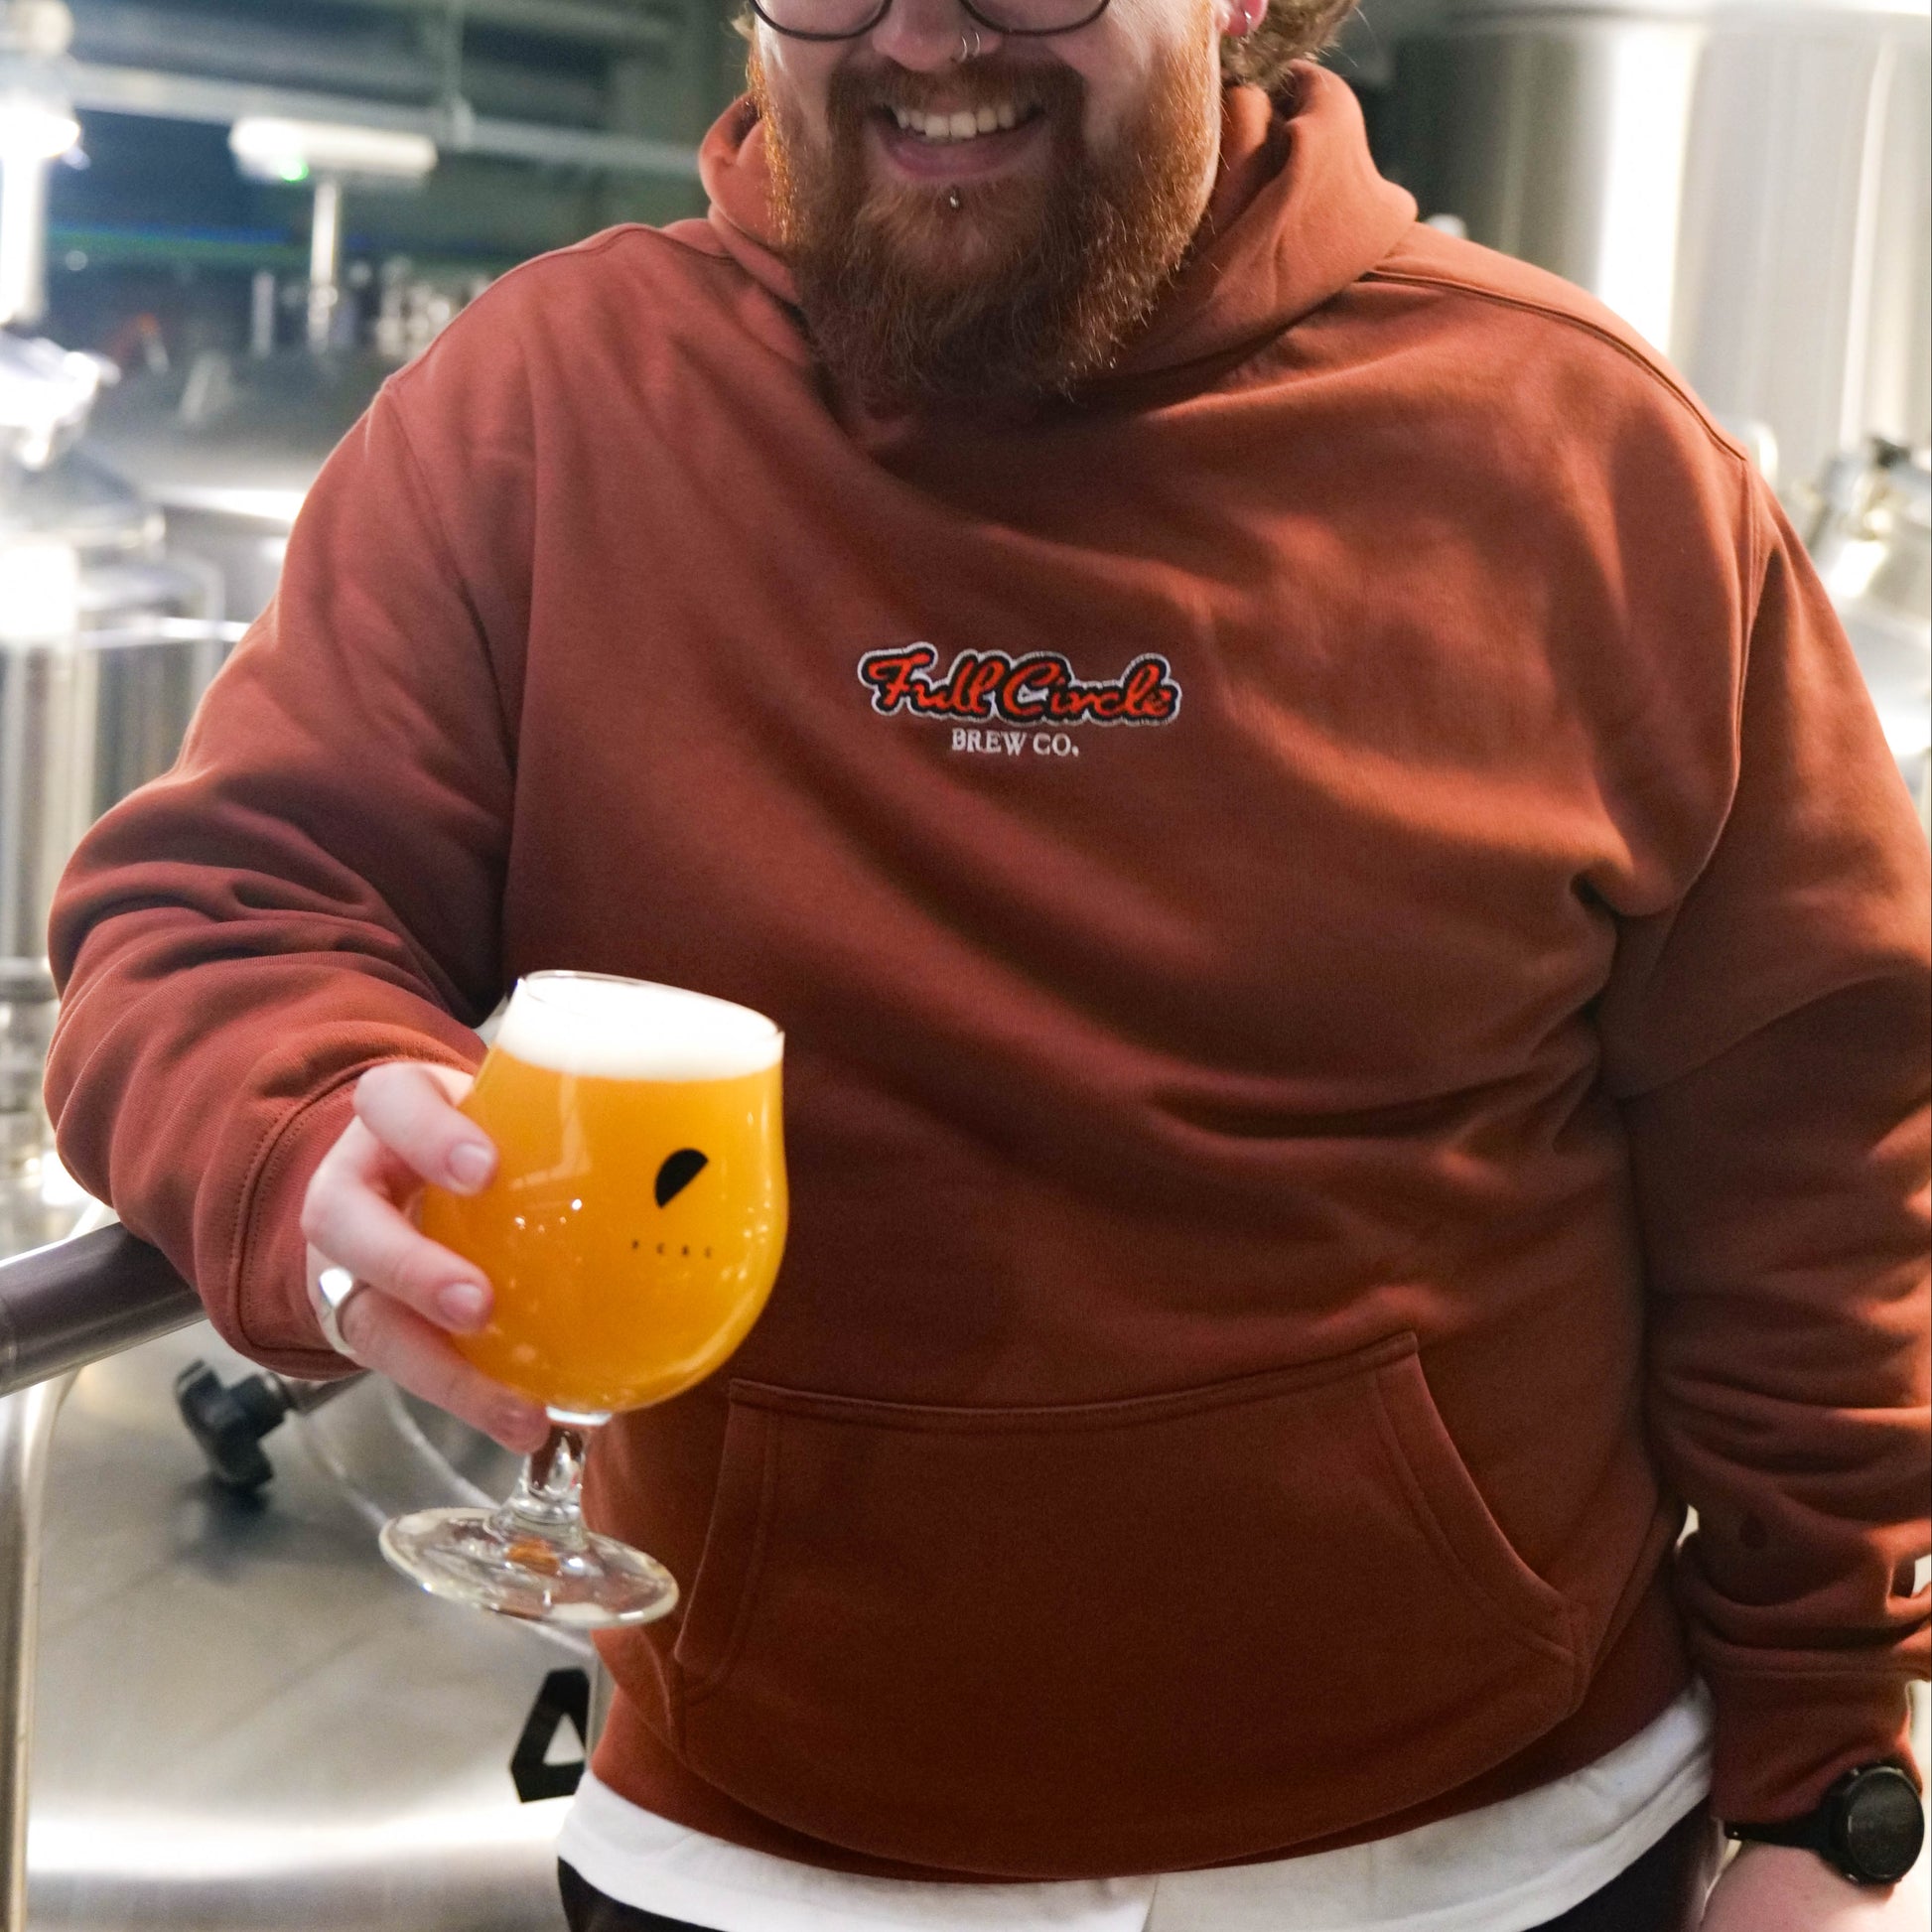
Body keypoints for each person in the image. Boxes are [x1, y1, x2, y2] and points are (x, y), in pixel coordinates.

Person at [43, 0, 1929, 1920]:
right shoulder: (547, 407)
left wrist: (1825, 1782)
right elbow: (218, 914)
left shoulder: (1580, 452)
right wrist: (303, 1128)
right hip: (766, 1843)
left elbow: (1816, 1157)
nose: (926, 31)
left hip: (1493, 1850)